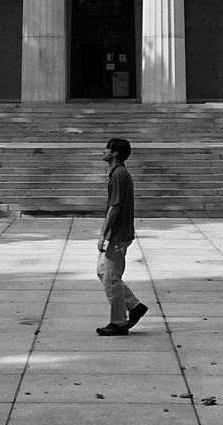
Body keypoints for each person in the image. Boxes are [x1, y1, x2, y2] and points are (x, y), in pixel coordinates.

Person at [96, 137, 148, 336]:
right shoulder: (119, 173)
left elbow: (114, 207)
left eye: (107, 148)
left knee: (111, 278)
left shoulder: (119, 175)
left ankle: (118, 322)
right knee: (103, 272)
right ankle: (134, 306)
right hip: (118, 233)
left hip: (117, 235)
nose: (104, 151)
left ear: (115, 153)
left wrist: (103, 234)